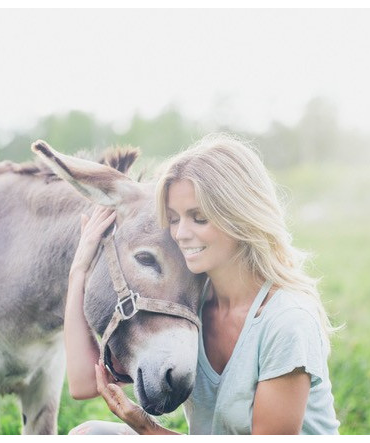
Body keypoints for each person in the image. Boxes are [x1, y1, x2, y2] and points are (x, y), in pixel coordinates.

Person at [64, 133, 340, 435]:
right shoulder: (192, 303)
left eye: (199, 218)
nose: (181, 233)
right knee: (88, 436)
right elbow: (83, 383)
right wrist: (79, 268)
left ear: (239, 216)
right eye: (174, 218)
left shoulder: (287, 321)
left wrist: (146, 428)